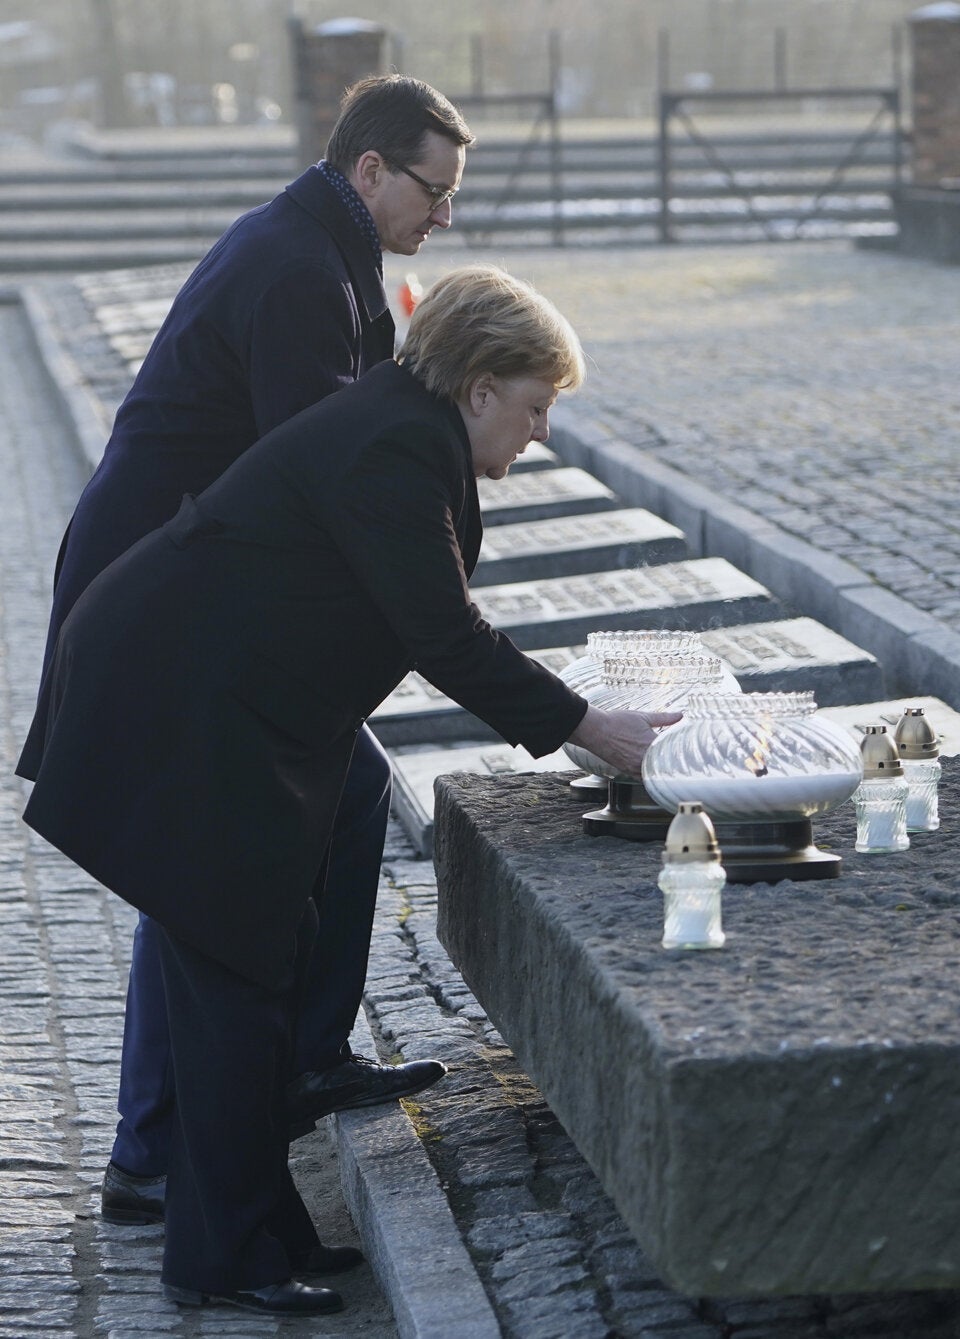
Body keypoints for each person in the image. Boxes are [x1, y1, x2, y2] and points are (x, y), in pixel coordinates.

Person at [18, 265, 681, 1315]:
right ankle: (222, 1255)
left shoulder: (408, 430)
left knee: (255, 962)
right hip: (175, 708)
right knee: (234, 973)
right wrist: (594, 732)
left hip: (220, 706)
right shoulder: (394, 445)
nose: (543, 431)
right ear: (478, 389)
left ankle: (256, 1226)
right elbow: (443, 632)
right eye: (537, 405)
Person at [35, 73, 474, 1233]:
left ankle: (286, 1067)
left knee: (334, 797)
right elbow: (325, 467)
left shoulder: (322, 248)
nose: (444, 214)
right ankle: (157, 1147)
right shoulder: (295, 266)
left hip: (189, 588)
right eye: (434, 190)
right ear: (371, 168)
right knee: (196, 870)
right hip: (159, 602)